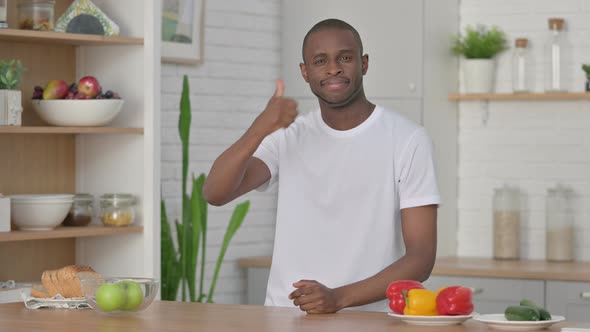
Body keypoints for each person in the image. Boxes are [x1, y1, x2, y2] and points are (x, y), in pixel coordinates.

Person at [203, 18, 439, 314]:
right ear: (305, 71)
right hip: (285, 318)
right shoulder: (286, 136)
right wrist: (261, 127)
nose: (333, 69)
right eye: (319, 61)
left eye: (345, 58)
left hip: (368, 321)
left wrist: (338, 298)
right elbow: (215, 193)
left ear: (364, 64)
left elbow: (421, 258)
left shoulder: (408, 139)